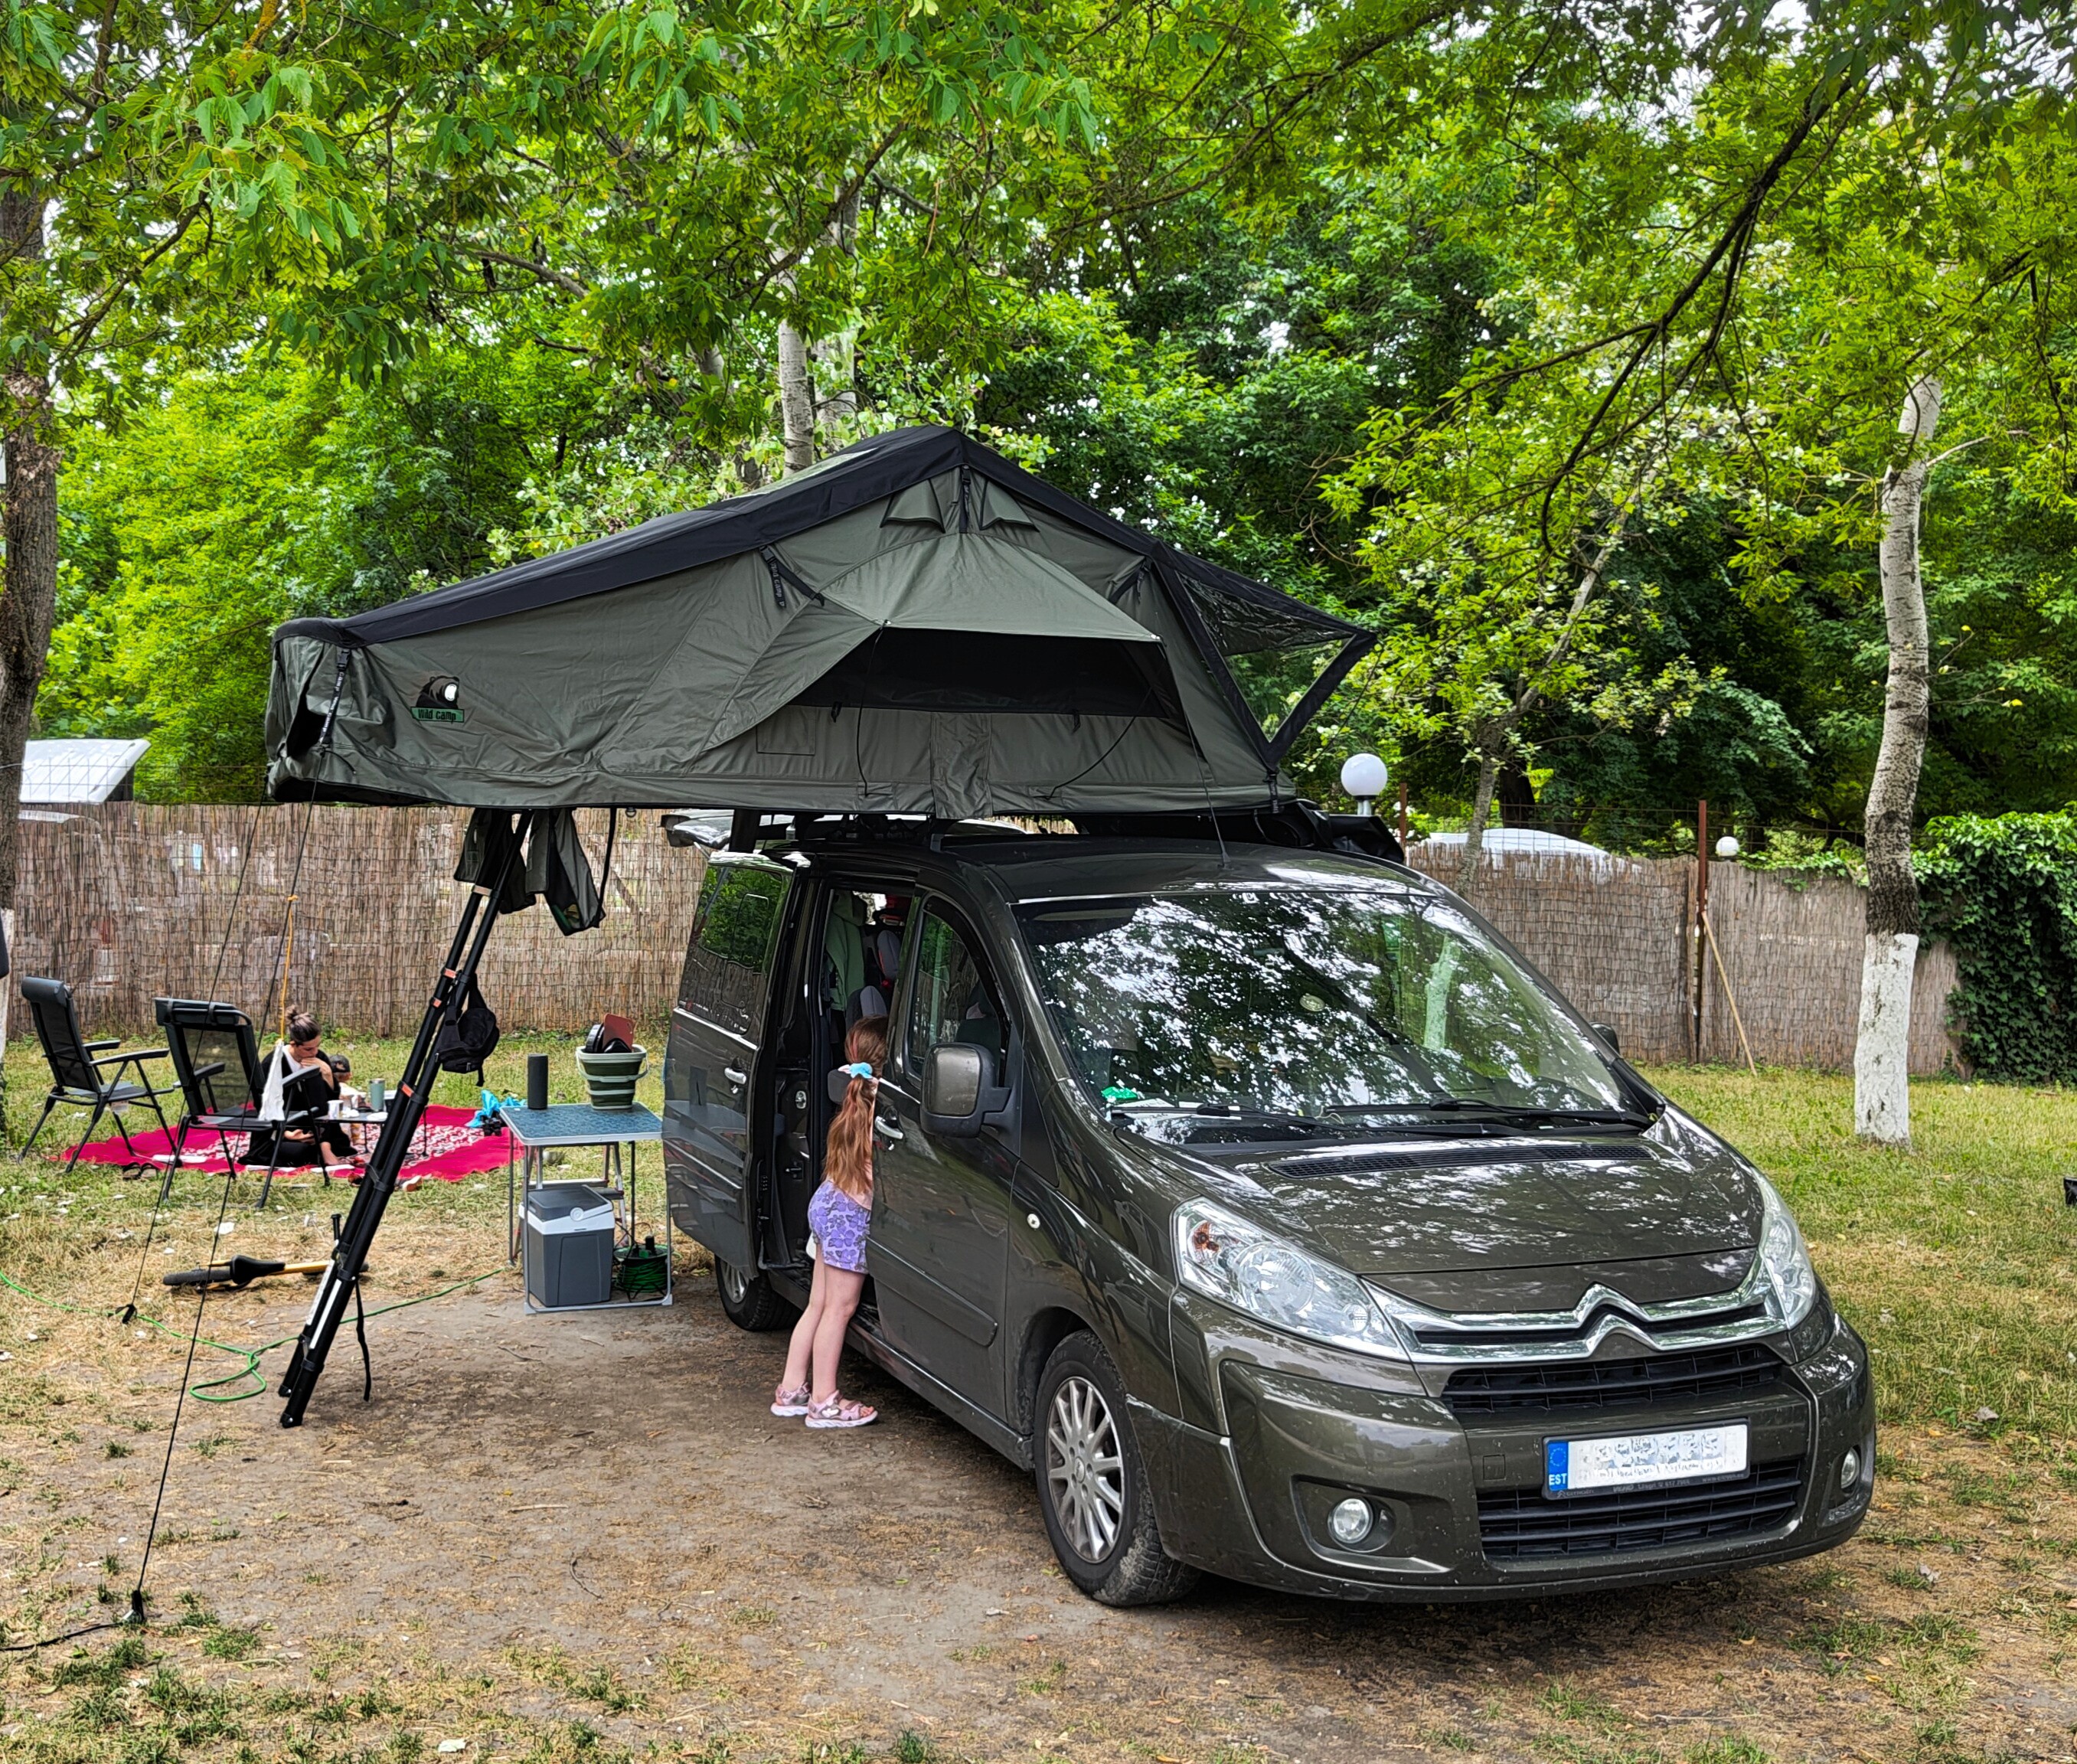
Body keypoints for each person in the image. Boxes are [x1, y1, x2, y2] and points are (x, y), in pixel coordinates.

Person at [772, 1015, 887, 1429]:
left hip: (827, 1202)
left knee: (817, 1305)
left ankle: (791, 1391)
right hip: (849, 1217)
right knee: (840, 1309)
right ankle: (824, 1401)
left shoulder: (853, 1092)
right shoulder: (879, 1110)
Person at [245, 1011, 362, 1175]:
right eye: (308, 1049)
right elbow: (263, 1107)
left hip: (318, 1127)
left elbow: (331, 1102)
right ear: (294, 1044)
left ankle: (324, 1145)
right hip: (282, 1128)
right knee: (299, 1152)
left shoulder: (319, 1057)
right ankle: (322, 1149)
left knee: (338, 1141)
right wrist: (287, 1133)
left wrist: (328, 1075)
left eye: (317, 1046)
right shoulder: (273, 1064)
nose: (314, 1052)